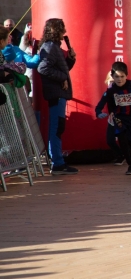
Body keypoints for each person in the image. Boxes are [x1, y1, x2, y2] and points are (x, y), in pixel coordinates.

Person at [37, 18, 78, 175]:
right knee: (56, 127)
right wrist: (61, 78)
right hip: (56, 93)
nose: (64, 32)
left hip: (59, 93)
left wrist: (70, 59)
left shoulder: (54, 47)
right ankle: (57, 162)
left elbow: (63, 69)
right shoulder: (50, 47)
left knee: (58, 127)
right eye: (62, 28)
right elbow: (43, 68)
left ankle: (58, 160)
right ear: (57, 30)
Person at [97, 61, 131, 175]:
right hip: (119, 118)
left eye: (122, 76)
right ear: (112, 76)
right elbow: (103, 100)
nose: (119, 79)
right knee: (122, 140)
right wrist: (98, 111)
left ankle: (127, 152)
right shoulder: (111, 90)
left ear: (126, 75)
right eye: (116, 77)